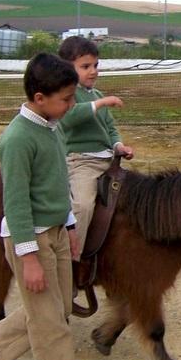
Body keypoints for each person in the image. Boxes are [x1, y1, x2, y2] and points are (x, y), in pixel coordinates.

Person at [0, 53, 106, 360]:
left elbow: (56, 182)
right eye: (65, 99)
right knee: (50, 323)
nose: (70, 106)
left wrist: (71, 225)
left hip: (58, 233)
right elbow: (15, 203)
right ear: (39, 96)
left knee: (57, 307)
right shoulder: (17, 139)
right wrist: (28, 257)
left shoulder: (51, 126)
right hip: (29, 238)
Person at [58, 36, 134, 261]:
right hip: (82, 162)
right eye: (85, 66)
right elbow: (70, 117)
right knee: (82, 205)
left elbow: (110, 128)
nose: (93, 71)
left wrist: (119, 146)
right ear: (67, 68)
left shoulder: (97, 95)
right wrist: (100, 103)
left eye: (95, 65)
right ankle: (73, 258)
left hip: (108, 160)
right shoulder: (67, 95)